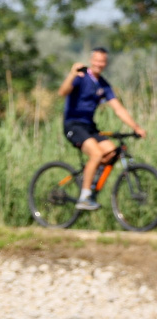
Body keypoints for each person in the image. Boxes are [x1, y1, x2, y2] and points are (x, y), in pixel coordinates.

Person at [58, 47, 147, 211]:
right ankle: (84, 197)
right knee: (97, 153)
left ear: (105, 63)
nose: (100, 63)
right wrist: (72, 73)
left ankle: (89, 180)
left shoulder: (103, 84)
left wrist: (136, 127)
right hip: (73, 124)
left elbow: (118, 108)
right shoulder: (81, 76)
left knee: (112, 151)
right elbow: (62, 92)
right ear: (92, 60)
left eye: (103, 61)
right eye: (97, 60)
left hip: (89, 127)